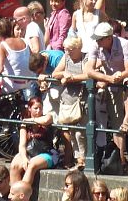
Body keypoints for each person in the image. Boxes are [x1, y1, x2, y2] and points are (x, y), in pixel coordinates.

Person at [84, 22, 128, 170]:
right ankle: (105, 158)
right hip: (107, 80)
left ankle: (121, 160)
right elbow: (89, 70)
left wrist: (119, 76)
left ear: (109, 38)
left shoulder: (124, 44)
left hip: (121, 79)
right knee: (100, 122)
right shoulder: (95, 45)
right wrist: (107, 79)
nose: (98, 42)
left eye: (100, 39)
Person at [52, 35, 87, 168]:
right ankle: (78, 159)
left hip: (82, 99)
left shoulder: (85, 58)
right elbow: (55, 73)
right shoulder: (66, 57)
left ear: (78, 48)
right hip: (67, 98)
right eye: (66, 49)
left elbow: (88, 74)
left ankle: (83, 158)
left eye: (70, 49)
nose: (67, 52)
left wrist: (72, 77)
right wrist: (64, 74)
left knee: (81, 132)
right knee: (71, 132)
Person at [10, 95, 59, 186]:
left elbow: (46, 120)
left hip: (47, 153)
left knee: (31, 165)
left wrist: (31, 120)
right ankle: (14, 195)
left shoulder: (48, 117)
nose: (38, 111)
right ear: (29, 108)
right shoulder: (24, 124)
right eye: (35, 108)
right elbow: (22, 145)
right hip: (29, 152)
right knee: (14, 165)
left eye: (40, 108)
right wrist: (24, 158)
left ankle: (23, 194)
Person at [0, 16, 34, 99]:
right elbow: (32, 59)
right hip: (29, 82)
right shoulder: (24, 40)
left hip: (13, 85)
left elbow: (0, 69)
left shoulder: (2, 45)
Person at [45, 0, 72, 68]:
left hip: (59, 52)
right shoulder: (54, 13)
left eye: (56, 1)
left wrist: (56, 52)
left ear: (63, 2)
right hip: (51, 49)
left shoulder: (63, 14)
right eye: (51, 1)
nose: (53, 4)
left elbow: (63, 35)